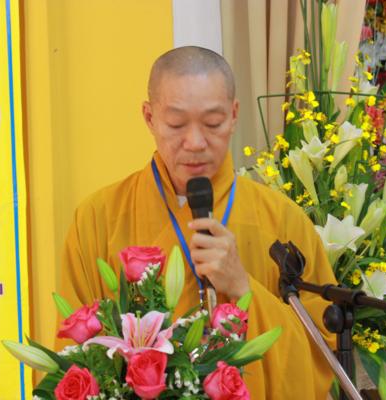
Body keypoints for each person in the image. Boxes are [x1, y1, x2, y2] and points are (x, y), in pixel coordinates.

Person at [57, 46, 337, 399]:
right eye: (176, 124)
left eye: (213, 123)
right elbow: (72, 363)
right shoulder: (98, 219)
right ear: (149, 118)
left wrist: (243, 287)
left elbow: (321, 357)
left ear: (234, 115)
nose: (195, 142)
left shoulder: (281, 220)